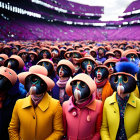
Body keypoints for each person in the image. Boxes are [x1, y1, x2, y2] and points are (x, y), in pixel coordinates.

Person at [8, 65, 64, 140]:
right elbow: (13, 128)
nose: (33, 84)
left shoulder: (55, 105)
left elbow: (58, 131)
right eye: (30, 80)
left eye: (36, 80)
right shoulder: (19, 103)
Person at [101, 61, 140, 140]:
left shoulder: (139, 104)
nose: (120, 83)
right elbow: (104, 128)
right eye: (117, 80)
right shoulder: (108, 102)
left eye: (124, 79)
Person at [63, 73, 103, 140]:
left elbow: (98, 131)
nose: (77, 88)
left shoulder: (98, 105)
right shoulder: (65, 105)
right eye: (75, 84)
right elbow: (63, 130)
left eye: (82, 85)